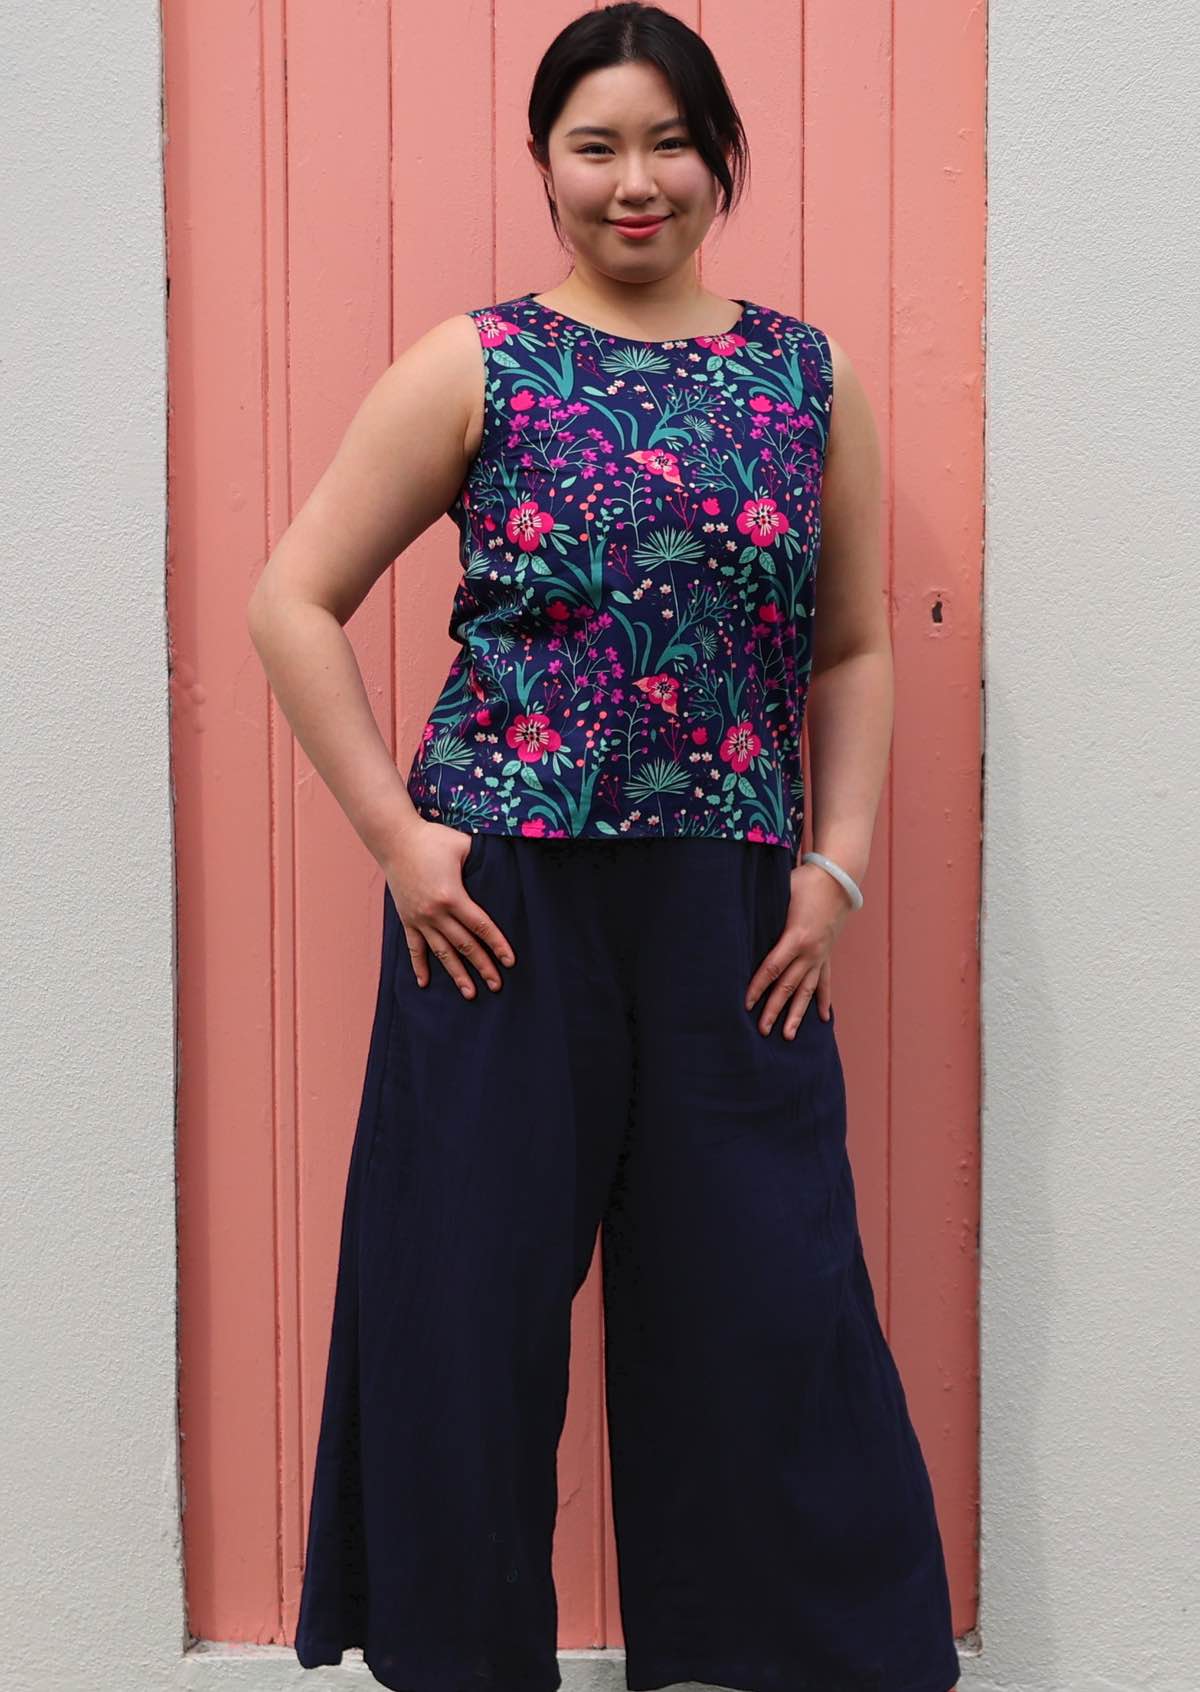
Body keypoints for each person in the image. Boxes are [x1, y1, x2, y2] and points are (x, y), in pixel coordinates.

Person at [247, 6, 960, 1691]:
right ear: (545, 165)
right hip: (499, 905)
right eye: (594, 145)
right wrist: (403, 844)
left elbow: (850, 646)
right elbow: (292, 601)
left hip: (731, 911)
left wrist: (834, 868)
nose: (634, 182)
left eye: (666, 143)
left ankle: (770, 1659)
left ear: (721, 159)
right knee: (466, 1305)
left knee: (765, 1301)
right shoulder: (479, 363)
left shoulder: (807, 376)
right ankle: (461, 1659)